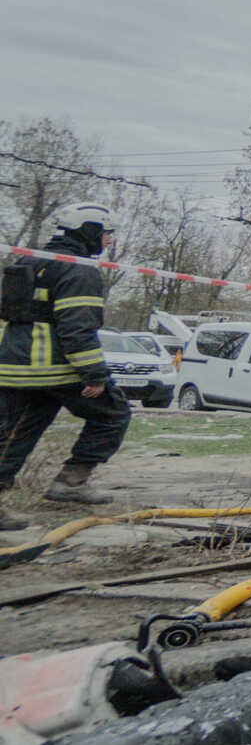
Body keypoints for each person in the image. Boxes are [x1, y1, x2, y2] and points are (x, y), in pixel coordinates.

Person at [0, 202, 133, 528]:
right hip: (54, 369)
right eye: (106, 234)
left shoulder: (29, 261)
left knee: (14, 436)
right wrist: (94, 374)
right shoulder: (79, 269)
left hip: (13, 367)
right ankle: (70, 483)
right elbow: (77, 327)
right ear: (88, 231)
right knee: (113, 414)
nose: (108, 241)